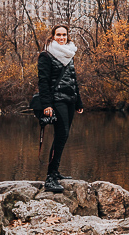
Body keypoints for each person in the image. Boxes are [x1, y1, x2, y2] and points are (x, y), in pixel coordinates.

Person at [37, 24, 83, 193]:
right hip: (56, 101)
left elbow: (73, 79)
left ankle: (55, 172)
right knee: (61, 135)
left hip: (70, 100)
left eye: (64, 35)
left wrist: (79, 102)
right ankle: (50, 178)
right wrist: (47, 105)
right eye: (58, 35)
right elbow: (43, 82)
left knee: (63, 137)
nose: (62, 37)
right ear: (53, 36)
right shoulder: (46, 55)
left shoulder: (69, 54)